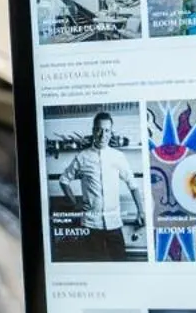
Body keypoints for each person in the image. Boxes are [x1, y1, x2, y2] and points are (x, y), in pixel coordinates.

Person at [60, 111, 145, 260]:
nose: (102, 135)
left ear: (111, 133)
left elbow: (133, 185)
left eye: (106, 130)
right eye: (99, 130)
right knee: (94, 266)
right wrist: (74, 202)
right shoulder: (82, 157)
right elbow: (64, 180)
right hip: (91, 225)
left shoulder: (118, 156)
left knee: (121, 263)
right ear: (93, 131)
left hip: (114, 223)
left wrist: (141, 211)